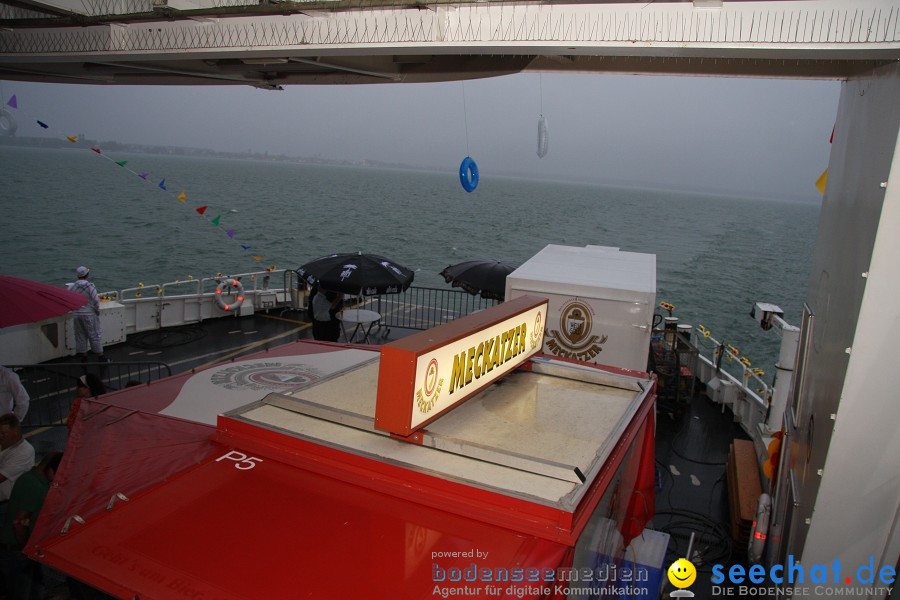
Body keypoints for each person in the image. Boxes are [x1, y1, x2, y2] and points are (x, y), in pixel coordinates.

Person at [0, 451, 63, 600]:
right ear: (50, 470)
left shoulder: (33, 479)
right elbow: (20, 523)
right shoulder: (33, 485)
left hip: (24, 551)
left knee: (35, 590)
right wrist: (26, 550)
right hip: (18, 553)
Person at [66, 266, 107, 363]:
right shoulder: (90, 286)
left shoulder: (72, 286)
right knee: (94, 335)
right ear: (87, 275)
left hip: (77, 314)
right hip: (89, 314)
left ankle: (84, 358)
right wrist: (97, 310)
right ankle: (101, 358)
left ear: (78, 275)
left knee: (80, 336)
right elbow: (96, 300)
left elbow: (68, 298)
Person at [0, 414, 35, 504]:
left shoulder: (24, 452)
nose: (0, 436)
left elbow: (1, 477)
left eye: (4, 433)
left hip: (9, 499)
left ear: (15, 431)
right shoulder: (5, 442)